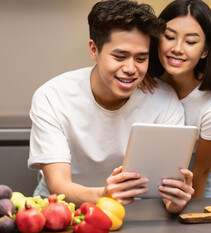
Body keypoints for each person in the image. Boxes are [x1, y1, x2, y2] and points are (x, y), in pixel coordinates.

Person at [27, 0, 194, 213]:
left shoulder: (165, 101)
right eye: (119, 57)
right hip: (60, 208)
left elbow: (166, 188)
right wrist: (103, 196)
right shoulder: (52, 96)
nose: (131, 69)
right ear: (93, 50)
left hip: (130, 209)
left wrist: (174, 202)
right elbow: (58, 185)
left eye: (141, 58)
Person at [140, 0, 211, 198]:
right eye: (169, 37)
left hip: (210, 167)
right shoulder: (146, 77)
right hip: (168, 158)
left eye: (191, 42)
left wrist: (191, 215)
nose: (177, 48)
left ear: (205, 50)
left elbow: (200, 173)